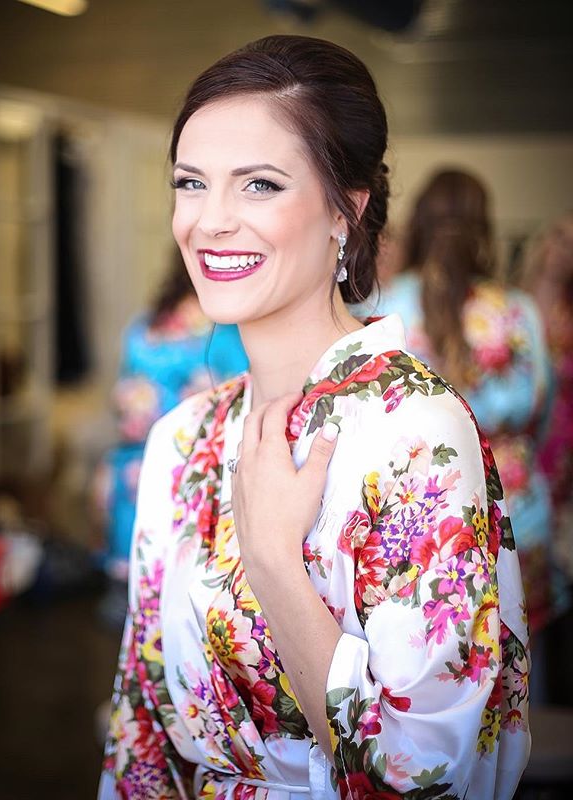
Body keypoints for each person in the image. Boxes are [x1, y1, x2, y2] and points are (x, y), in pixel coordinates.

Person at [100, 38, 530, 800]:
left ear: (346, 210)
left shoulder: (418, 433)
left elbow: (430, 776)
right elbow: (139, 730)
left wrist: (273, 562)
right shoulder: (186, 438)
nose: (210, 221)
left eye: (259, 185)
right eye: (190, 183)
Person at [354, 169, 556, 647]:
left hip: (421, 523)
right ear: (483, 229)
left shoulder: (383, 308)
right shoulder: (518, 311)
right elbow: (541, 416)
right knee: (524, 669)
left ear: (418, 225)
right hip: (517, 512)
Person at [93, 247, 248, 575]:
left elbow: (245, 393)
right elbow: (126, 383)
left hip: (170, 458)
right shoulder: (157, 322)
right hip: (154, 457)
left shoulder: (219, 327)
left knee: (159, 575)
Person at [520, 212, 573, 582]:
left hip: (560, 434)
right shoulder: (511, 302)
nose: (560, 250)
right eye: (557, 235)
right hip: (519, 432)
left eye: (570, 244)